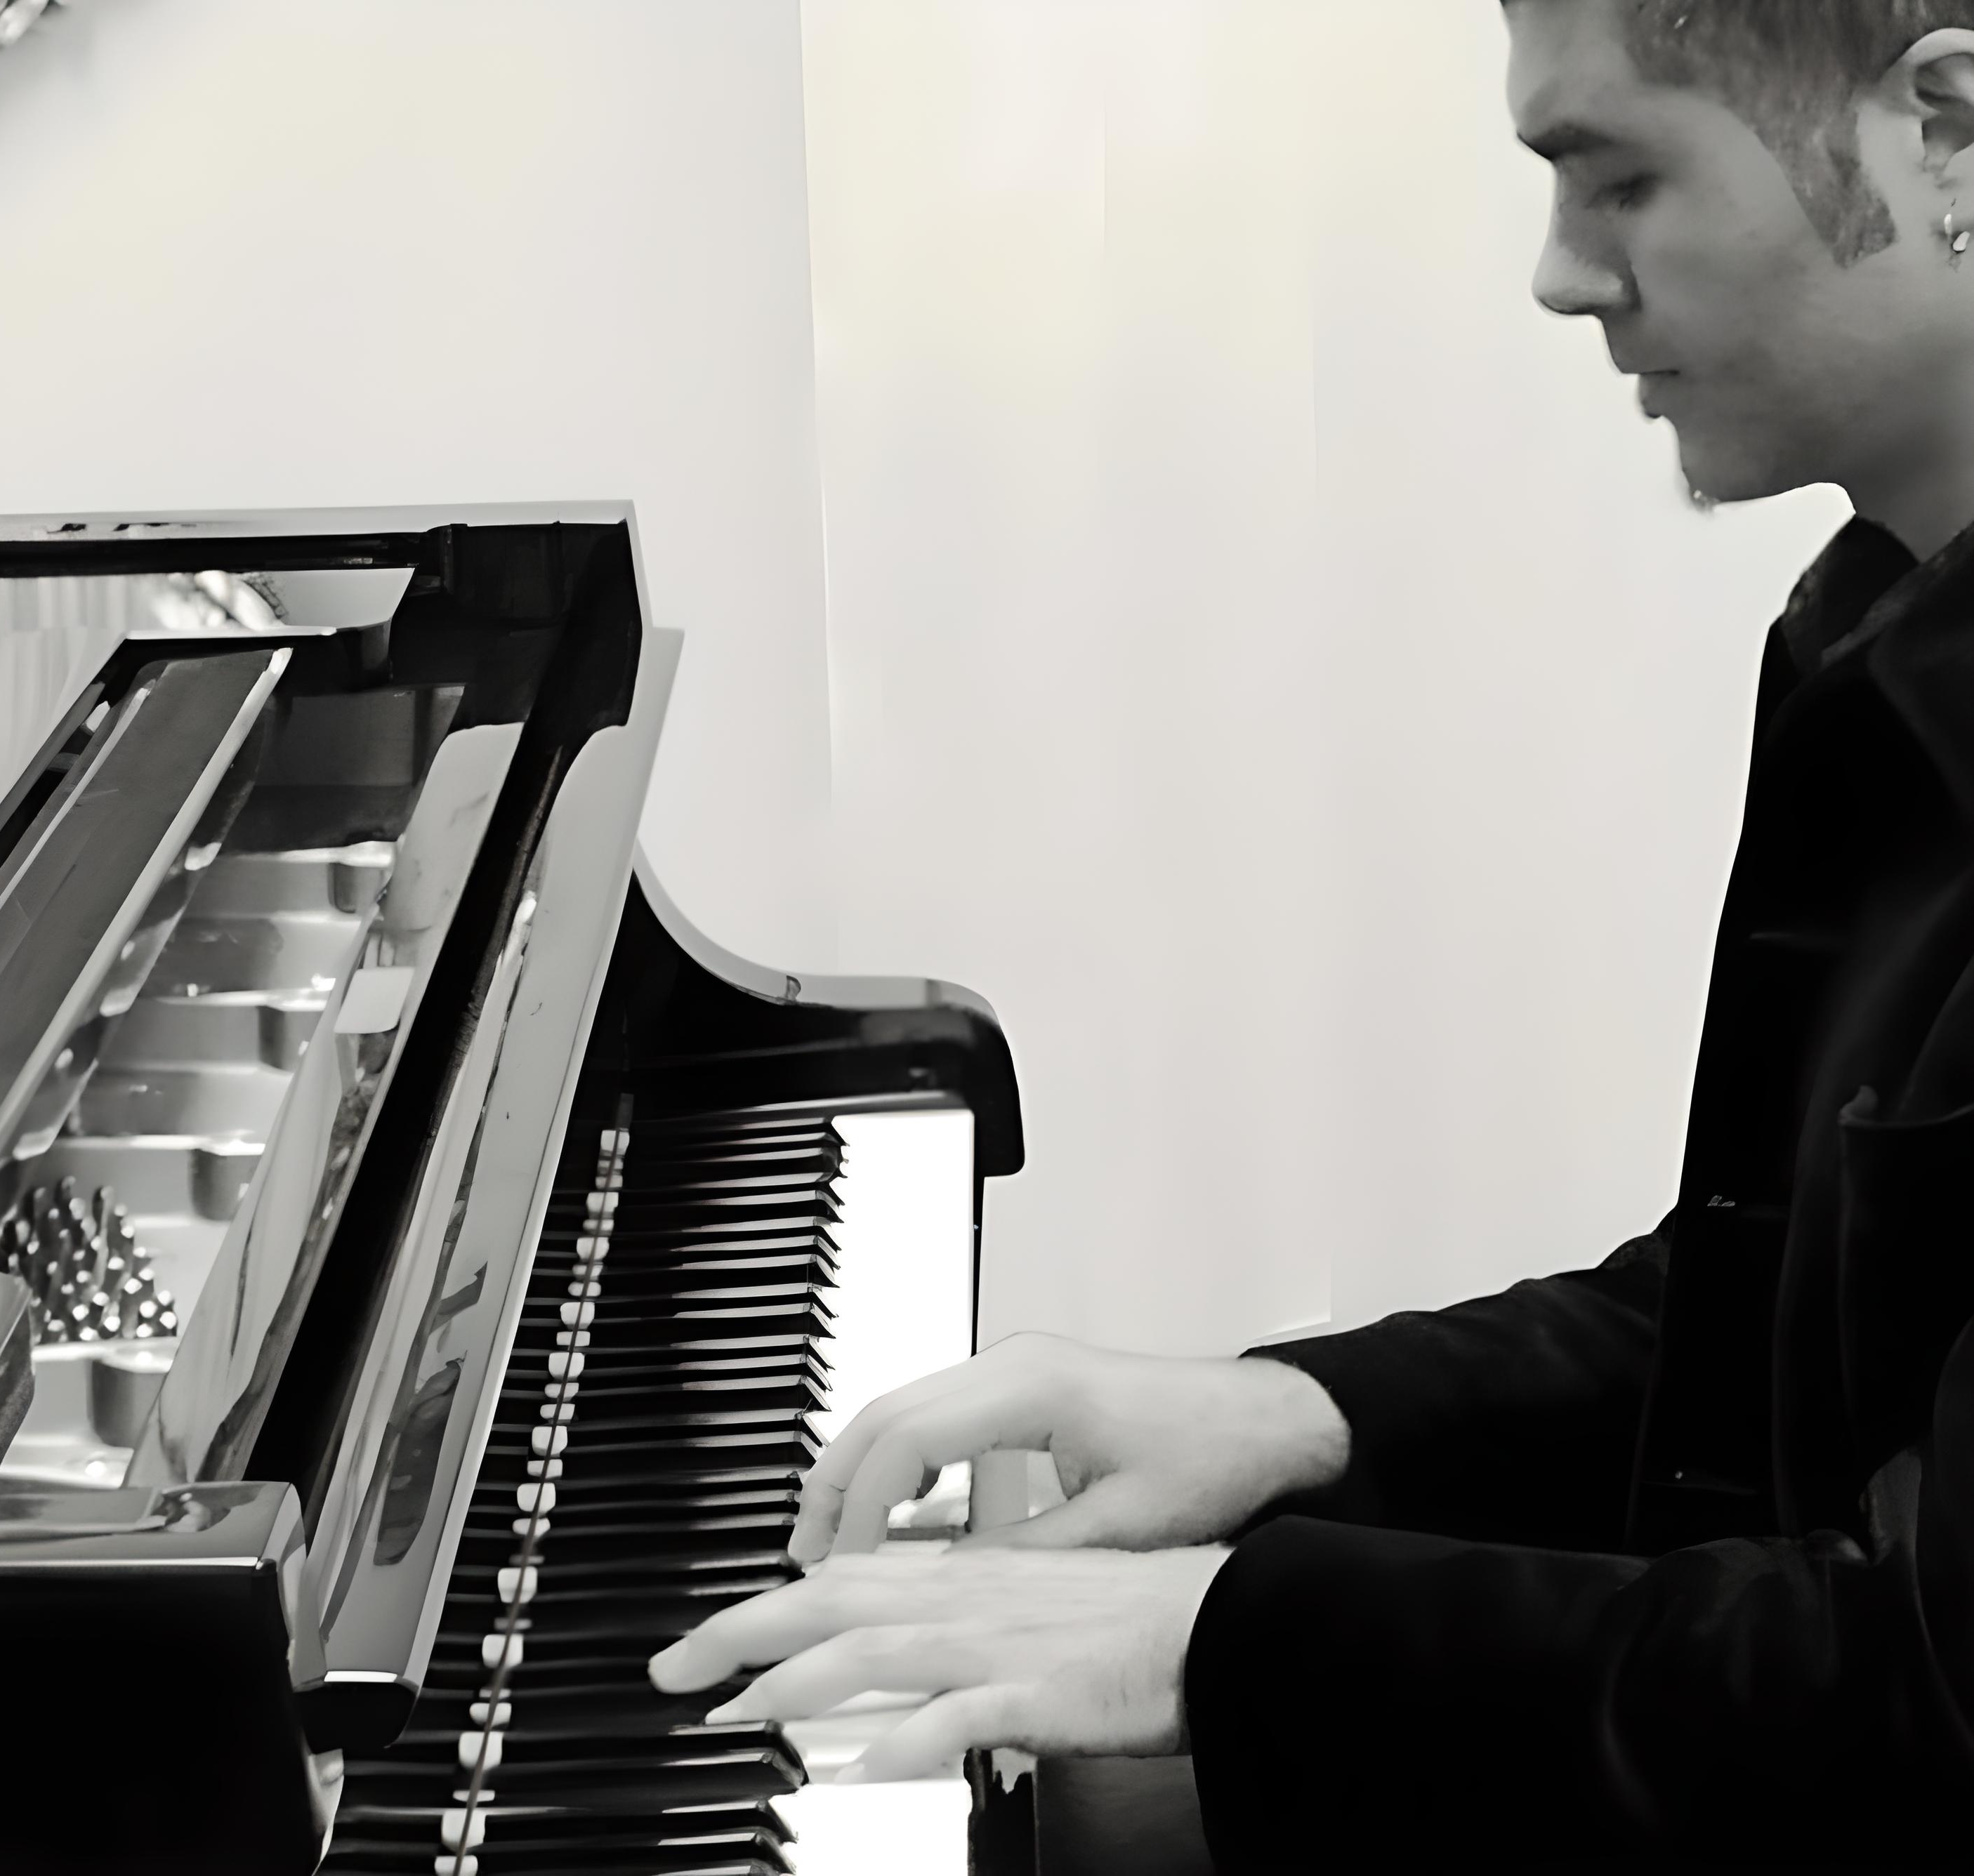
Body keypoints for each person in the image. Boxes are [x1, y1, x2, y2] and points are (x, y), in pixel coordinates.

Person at [647, 1, 1974, 1867]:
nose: (1557, 274)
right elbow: (1777, 1343)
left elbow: (1925, 1691)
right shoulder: (1878, 627)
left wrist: (1220, 1637)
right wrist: (1301, 1416)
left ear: (1946, 128)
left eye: (1618, 179)